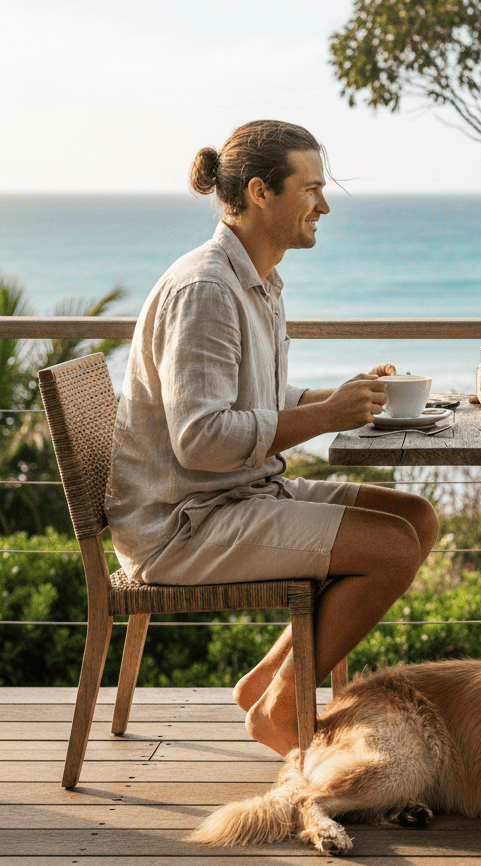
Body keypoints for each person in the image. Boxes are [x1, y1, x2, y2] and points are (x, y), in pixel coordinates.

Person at [105, 119, 439, 758]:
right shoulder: (206, 289)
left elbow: (249, 402)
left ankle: (267, 681)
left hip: (237, 494)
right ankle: (284, 710)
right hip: (185, 524)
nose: (325, 204)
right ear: (261, 192)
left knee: (413, 517)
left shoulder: (257, 279)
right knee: (392, 549)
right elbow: (201, 439)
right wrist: (324, 417)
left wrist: (341, 399)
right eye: (311, 188)